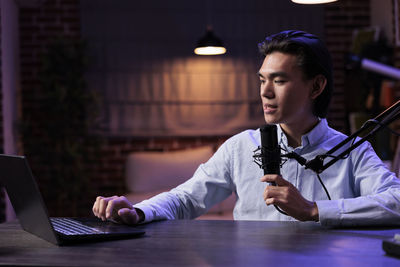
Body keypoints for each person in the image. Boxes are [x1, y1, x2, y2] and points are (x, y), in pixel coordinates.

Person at [92, 30, 400, 227]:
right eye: (262, 80)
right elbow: (187, 198)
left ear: (316, 86)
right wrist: (139, 211)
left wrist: (313, 210)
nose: (265, 92)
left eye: (279, 80)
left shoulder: (352, 150)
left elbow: (396, 201)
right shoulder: (241, 146)